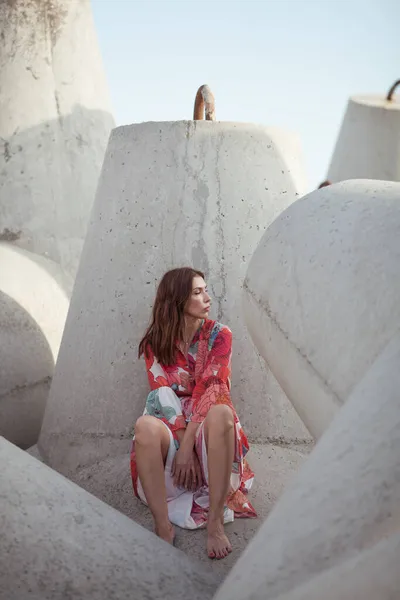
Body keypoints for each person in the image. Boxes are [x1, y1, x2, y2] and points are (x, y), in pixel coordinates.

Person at [130, 267, 256, 560]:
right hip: (172, 419)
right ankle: (163, 527)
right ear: (177, 300)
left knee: (221, 412)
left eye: (205, 290)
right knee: (144, 427)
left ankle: (214, 523)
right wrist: (181, 437)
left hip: (209, 415)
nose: (207, 298)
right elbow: (161, 393)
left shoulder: (219, 335)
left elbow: (212, 387)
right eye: (197, 293)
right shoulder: (155, 342)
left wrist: (188, 446)